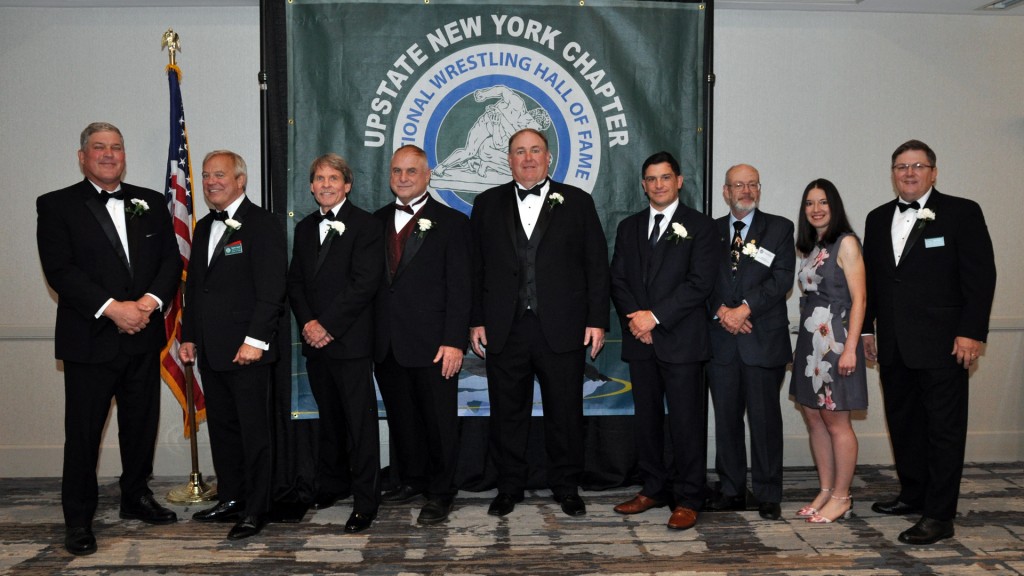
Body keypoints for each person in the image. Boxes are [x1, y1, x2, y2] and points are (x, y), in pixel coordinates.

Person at [37, 122, 182, 555]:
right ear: (82, 156)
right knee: (83, 434)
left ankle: (135, 496)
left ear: (124, 155)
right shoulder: (56, 205)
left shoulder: (150, 202)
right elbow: (60, 270)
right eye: (99, 147)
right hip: (89, 340)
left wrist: (148, 304)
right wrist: (114, 309)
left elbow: (170, 262)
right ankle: (79, 519)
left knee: (140, 427)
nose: (108, 154)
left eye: (116, 147)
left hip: (143, 336)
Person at [469, 128, 610, 518]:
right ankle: (509, 487)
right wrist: (476, 319)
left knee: (565, 413)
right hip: (505, 326)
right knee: (506, 414)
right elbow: (475, 267)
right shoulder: (486, 203)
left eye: (535, 151)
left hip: (562, 326)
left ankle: (566, 486)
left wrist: (597, 319)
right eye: (520, 151)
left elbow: (596, 264)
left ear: (549, 158)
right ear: (508, 159)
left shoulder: (578, 202)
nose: (528, 158)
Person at [862, 140, 996, 545]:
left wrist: (971, 332)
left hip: (945, 344)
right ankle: (914, 494)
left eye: (917, 166)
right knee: (904, 424)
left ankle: (939, 515)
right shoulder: (877, 218)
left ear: (933, 172)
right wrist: (867, 330)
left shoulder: (962, 212)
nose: (909, 173)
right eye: (901, 166)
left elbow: (981, 277)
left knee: (944, 431)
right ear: (893, 173)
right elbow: (872, 281)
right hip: (894, 345)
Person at [180, 150, 287, 540]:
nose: (211, 182)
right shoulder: (203, 226)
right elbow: (197, 288)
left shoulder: (263, 224)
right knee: (224, 430)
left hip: (248, 351)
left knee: (254, 433)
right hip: (211, 350)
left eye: (220, 175)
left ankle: (256, 509)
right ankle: (231, 497)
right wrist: (189, 336)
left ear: (241, 180)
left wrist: (255, 341)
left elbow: (272, 290)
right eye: (207, 175)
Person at [608, 152, 718, 530]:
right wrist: (638, 320)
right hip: (641, 341)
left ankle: (689, 497)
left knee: (686, 423)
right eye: (651, 179)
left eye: (665, 177)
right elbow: (618, 279)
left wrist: (653, 317)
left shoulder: (701, 226)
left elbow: (700, 283)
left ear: (679, 181)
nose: (658, 185)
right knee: (647, 420)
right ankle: (653, 488)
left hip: (682, 341)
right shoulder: (629, 227)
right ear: (643, 185)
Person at [372, 145, 472, 525]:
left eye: (411, 171)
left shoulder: (453, 222)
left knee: (439, 423)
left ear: (427, 175)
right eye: (396, 171)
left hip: (435, 345)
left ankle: (441, 492)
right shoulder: (376, 221)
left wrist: (454, 341)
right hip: (387, 344)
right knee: (402, 420)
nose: (403, 178)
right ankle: (411, 479)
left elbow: (461, 288)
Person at [287, 153, 384, 534]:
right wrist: (309, 324)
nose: (325, 185)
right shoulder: (305, 227)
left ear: (347, 185)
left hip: (351, 342)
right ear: (311, 187)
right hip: (316, 344)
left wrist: (326, 325)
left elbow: (364, 284)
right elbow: (296, 282)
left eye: (333, 178)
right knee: (329, 421)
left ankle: (366, 501)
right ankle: (333, 484)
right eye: (319, 178)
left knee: (360, 425)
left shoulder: (366, 225)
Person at [706, 164, 795, 520]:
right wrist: (721, 312)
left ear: (759, 189)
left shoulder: (779, 228)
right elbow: (697, 279)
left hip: (763, 339)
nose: (746, 191)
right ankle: (731, 490)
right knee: (726, 420)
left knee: (764, 420)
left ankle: (768, 493)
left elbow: (782, 278)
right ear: (725, 192)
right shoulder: (709, 231)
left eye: (752, 184)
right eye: (738, 185)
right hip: (721, 342)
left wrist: (743, 310)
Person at [790, 178, 867, 524]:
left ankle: (842, 496)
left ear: (834, 206)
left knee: (837, 421)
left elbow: (860, 299)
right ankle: (825, 490)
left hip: (837, 340)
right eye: (809, 203)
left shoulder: (846, 242)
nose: (816, 209)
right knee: (814, 417)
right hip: (811, 341)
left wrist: (850, 348)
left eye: (823, 202)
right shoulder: (811, 247)